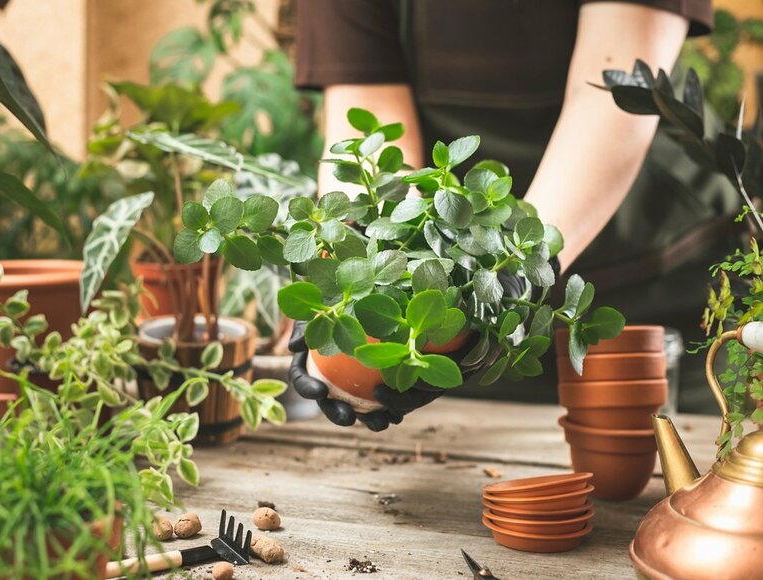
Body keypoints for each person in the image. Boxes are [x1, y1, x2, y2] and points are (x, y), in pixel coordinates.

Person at [289, 0, 740, 429]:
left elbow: (613, 93)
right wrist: (352, 264)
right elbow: (370, 112)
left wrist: (517, 266)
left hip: (656, 289)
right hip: (462, 303)